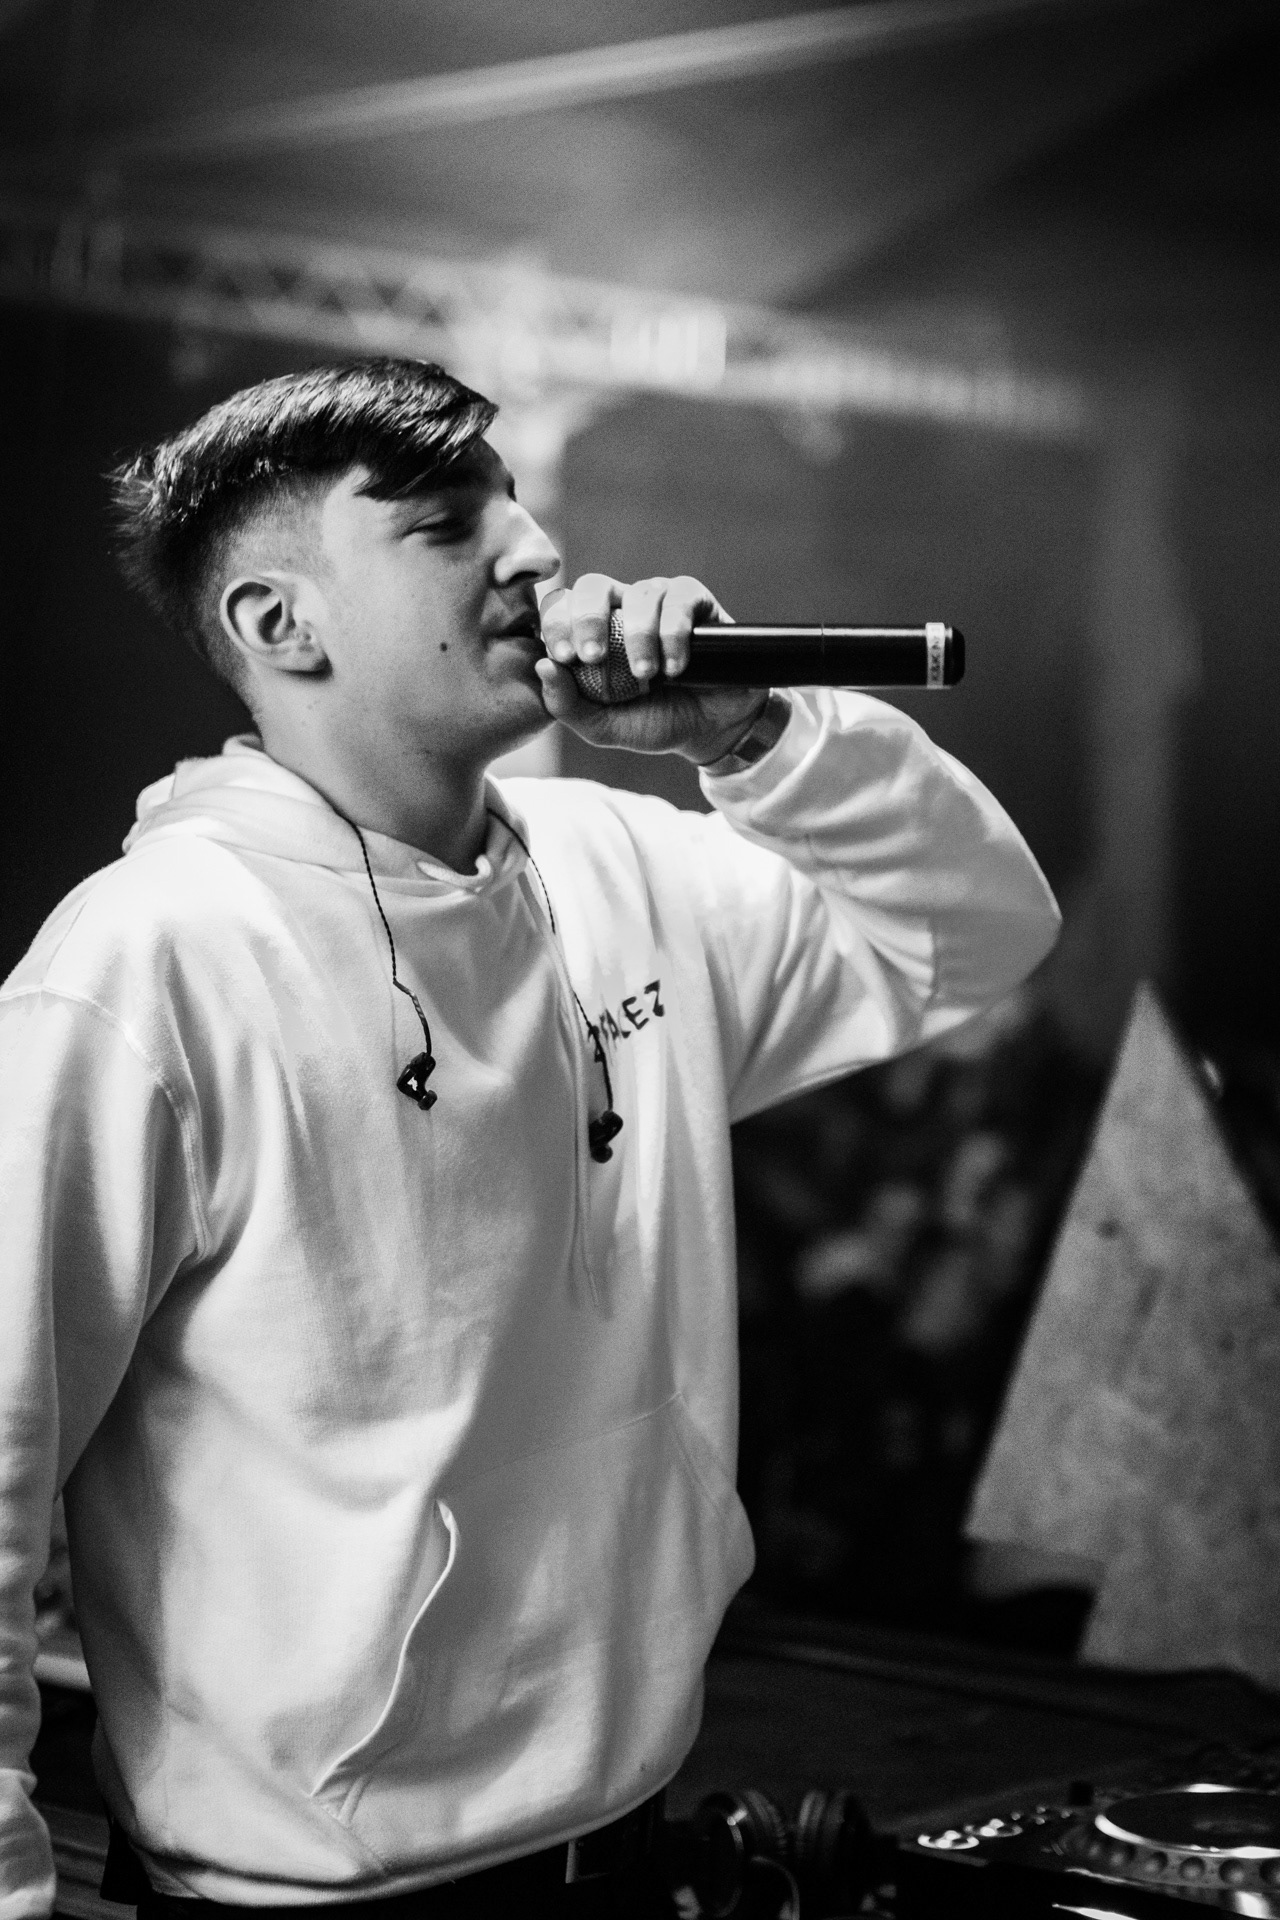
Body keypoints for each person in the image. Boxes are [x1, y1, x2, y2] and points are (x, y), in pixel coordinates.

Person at [0, 358, 1059, 1920]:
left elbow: (976, 931)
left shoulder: (621, 863)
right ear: (281, 624)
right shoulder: (147, 965)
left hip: (624, 1842)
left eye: (516, 507)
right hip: (312, 1896)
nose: (536, 551)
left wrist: (754, 735)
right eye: (445, 526)